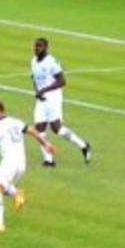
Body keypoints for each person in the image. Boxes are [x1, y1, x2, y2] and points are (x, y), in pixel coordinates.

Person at [0, 100, 55, 232]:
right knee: (3, 187)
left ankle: (0, 225)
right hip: (21, 163)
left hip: (9, 162)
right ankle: (17, 193)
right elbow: (33, 131)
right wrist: (46, 144)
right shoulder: (15, 121)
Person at [29, 38, 92, 167]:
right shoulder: (33, 61)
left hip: (53, 97)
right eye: (35, 46)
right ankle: (49, 160)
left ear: (46, 48)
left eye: (40, 46)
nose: (37, 49)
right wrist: (37, 91)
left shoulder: (52, 61)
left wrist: (44, 90)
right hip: (41, 98)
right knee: (39, 129)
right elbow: (34, 79)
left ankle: (84, 146)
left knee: (56, 129)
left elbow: (62, 81)